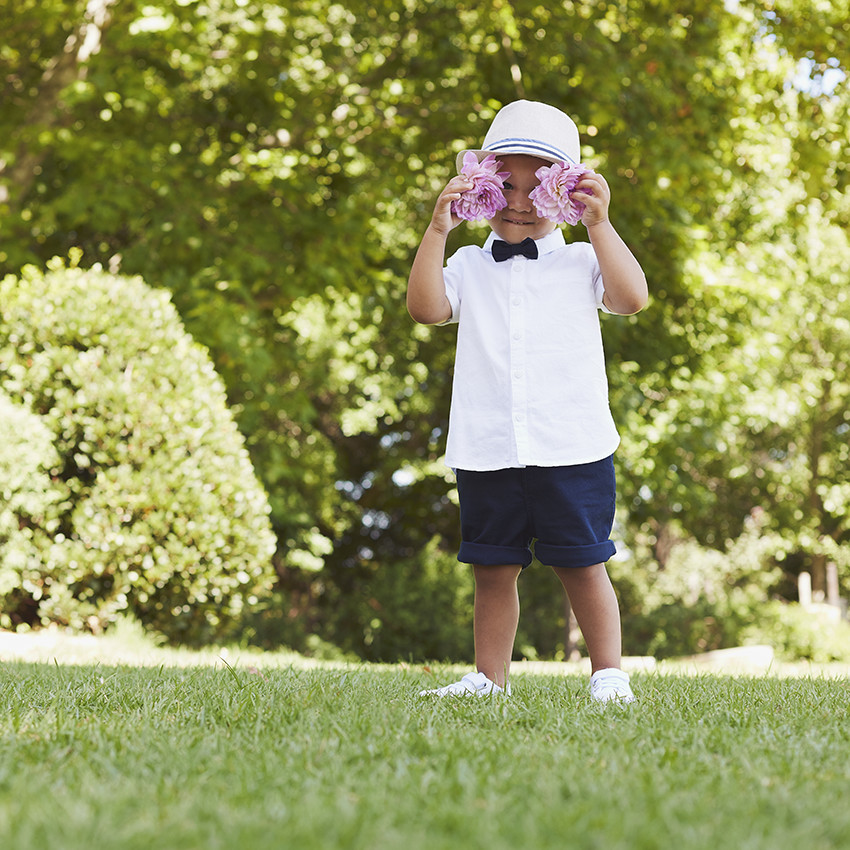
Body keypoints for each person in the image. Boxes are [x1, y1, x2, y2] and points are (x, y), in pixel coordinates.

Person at [407, 100, 648, 703]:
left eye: (536, 187)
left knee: (582, 562)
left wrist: (600, 224)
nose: (517, 201)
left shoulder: (583, 258)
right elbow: (426, 309)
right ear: (482, 185)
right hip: (489, 444)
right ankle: (489, 680)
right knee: (493, 567)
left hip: (571, 442)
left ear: (564, 191)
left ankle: (608, 673)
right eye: (505, 184)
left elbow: (631, 298)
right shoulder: (466, 263)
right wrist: (438, 229)